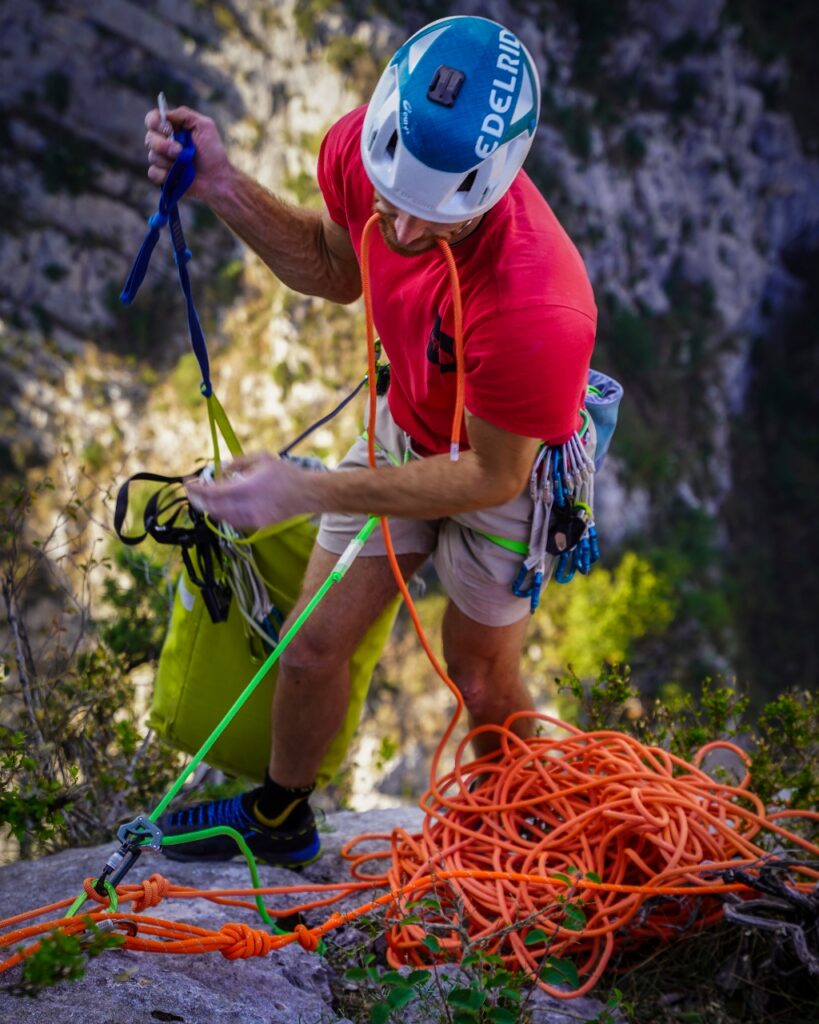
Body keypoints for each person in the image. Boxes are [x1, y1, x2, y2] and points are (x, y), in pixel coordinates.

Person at [143, 15, 597, 867]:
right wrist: (223, 186)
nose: (399, 232)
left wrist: (307, 487)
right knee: (311, 647)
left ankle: (545, 840)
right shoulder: (363, 152)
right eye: (392, 204)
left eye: (432, 223)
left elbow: (490, 476)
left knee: (479, 678)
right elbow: (334, 266)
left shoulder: (539, 304)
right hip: (407, 423)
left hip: (509, 468)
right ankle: (280, 818)